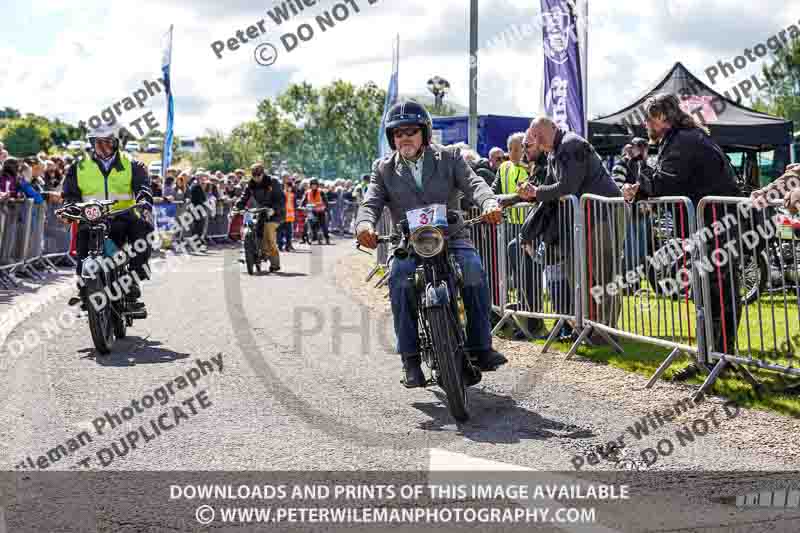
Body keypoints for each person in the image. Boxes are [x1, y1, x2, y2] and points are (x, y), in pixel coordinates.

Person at [355, 100, 506, 388]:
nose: (404, 138)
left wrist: (488, 202)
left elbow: (474, 183)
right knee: (399, 278)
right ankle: (410, 359)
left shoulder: (449, 157)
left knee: (473, 270)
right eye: (398, 133)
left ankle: (480, 346)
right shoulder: (383, 169)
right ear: (392, 138)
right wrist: (364, 226)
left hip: (451, 237)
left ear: (425, 132)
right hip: (409, 243)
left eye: (411, 131)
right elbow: (370, 202)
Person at [621, 93, 741, 379]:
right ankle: (708, 358)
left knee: (717, 295)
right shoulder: (680, 139)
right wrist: (641, 186)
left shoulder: (684, 141)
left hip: (717, 226)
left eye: (648, 118)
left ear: (662, 118)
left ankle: (719, 361)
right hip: (708, 226)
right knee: (704, 295)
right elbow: (665, 182)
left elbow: (665, 183)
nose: (645, 124)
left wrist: (639, 173)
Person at [519, 117, 623, 340]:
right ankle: (588, 328)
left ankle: (607, 332)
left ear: (553, 128)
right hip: (585, 216)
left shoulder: (570, 144)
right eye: (534, 137)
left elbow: (568, 186)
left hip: (603, 213)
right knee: (582, 276)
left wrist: (536, 192)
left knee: (603, 274)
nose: (537, 140)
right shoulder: (554, 151)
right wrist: (532, 191)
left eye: (540, 135)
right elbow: (549, 185)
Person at [61, 125, 153, 310]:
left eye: (107, 141)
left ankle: (134, 280)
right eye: (98, 141)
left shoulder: (132, 164)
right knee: (83, 250)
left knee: (143, 229)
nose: (102, 146)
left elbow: (142, 187)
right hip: (91, 218)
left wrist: (144, 203)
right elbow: (70, 194)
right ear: (92, 143)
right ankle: (84, 289)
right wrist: (67, 209)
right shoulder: (78, 167)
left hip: (123, 215)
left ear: (116, 143)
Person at [492, 132, 544, 339]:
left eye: (519, 148)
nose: (516, 153)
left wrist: (510, 199)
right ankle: (521, 317)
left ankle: (534, 321)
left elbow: (530, 194)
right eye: (512, 149)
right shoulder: (503, 168)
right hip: (508, 226)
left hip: (528, 226)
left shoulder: (529, 168)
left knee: (529, 274)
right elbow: (493, 192)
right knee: (513, 275)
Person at [235, 163, 286, 271]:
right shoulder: (251, 183)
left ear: (263, 173)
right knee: (256, 231)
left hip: (276, 213)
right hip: (262, 211)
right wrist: (237, 207)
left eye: (259, 175)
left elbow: (281, 199)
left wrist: (274, 209)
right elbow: (244, 197)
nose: (257, 177)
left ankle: (275, 264)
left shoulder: (273, 181)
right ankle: (254, 253)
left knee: (268, 234)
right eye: (254, 175)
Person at [302, 178, 330, 245]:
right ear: (310, 185)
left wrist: (325, 207)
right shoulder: (307, 192)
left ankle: (327, 238)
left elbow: (326, 201)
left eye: (315, 184)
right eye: (312, 184)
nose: (313, 186)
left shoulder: (321, 192)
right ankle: (304, 238)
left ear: (317, 185)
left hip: (320, 211)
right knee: (307, 223)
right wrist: (302, 206)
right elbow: (303, 201)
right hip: (311, 211)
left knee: (323, 226)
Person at [278, 174, 297, 252]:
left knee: (289, 231)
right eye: (285, 178)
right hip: (281, 213)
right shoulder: (279, 186)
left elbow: (294, 200)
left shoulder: (292, 188)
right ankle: (280, 245)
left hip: (290, 214)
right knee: (280, 231)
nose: (287, 179)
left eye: (288, 178)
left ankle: (288, 245)